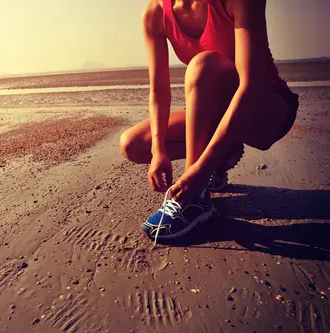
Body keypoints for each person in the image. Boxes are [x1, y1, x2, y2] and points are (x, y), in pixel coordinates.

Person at [119, 0, 299, 244]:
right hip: (216, 112)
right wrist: (158, 150)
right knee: (133, 144)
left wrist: (200, 171)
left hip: (266, 109)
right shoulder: (155, 12)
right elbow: (159, 90)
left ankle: (194, 201)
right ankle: (224, 154)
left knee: (202, 65)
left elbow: (250, 87)